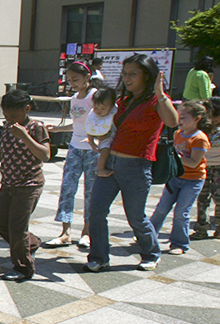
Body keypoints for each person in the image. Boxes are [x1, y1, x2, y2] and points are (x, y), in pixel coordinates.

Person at [86, 54, 179, 273]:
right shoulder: (123, 101)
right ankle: (99, 257)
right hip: (110, 163)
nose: (127, 78)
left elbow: (172, 122)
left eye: (133, 74)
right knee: (96, 211)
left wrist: (160, 94)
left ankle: (151, 253)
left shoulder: (156, 100)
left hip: (136, 166)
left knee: (136, 217)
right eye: (125, 73)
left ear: (146, 75)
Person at [0, 89, 51, 281]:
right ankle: (31, 243)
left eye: (14, 116)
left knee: (17, 228)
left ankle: (23, 268)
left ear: (27, 109)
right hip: (8, 183)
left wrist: (25, 136)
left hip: (29, 184)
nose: (10, 119)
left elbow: (45, 154)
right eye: (6, 116)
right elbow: (3, 151)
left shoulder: (36, 127)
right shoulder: (8, 127)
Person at [44, 62, 97, 249]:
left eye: (76, 79)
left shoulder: (96, 96)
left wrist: (97, 139)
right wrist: (58, 129)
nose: (72, 83)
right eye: (69, 80)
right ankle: (65, 232)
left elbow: (108, 120)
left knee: (91, 191)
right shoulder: (74, 98)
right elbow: (77, 124)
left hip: (93, 149)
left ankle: (87, 231)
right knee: (67, 188)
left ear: (87, 77)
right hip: (75, 147)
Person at [149, 100, 210, 254]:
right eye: (178, 116)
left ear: (197, 119)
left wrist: (173, 157)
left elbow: (193, 162)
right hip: (175, 178)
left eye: (183, 117)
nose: (179, 120)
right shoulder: (177, 134)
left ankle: (179, 244)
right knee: (161, 208)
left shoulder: (200, 139)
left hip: (193, 181)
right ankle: (148, 236)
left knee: (181, 213)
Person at [192, 96, 220, 240]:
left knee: (219, 197)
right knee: (202, 197)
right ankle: (201, 227)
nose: (212, 119)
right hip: (203, 166)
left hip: (218, 166)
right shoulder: (202, 128)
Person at [87, 85, 118, 177]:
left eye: (103, 109)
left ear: (111, 106)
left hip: (116, 136)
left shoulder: (115, 111)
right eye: (96, 107)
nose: (98, 111)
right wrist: (91, 142)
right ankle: (100, 169)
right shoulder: (93, 115)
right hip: (105, 138)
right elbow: (89, 128)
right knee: (105, 151)